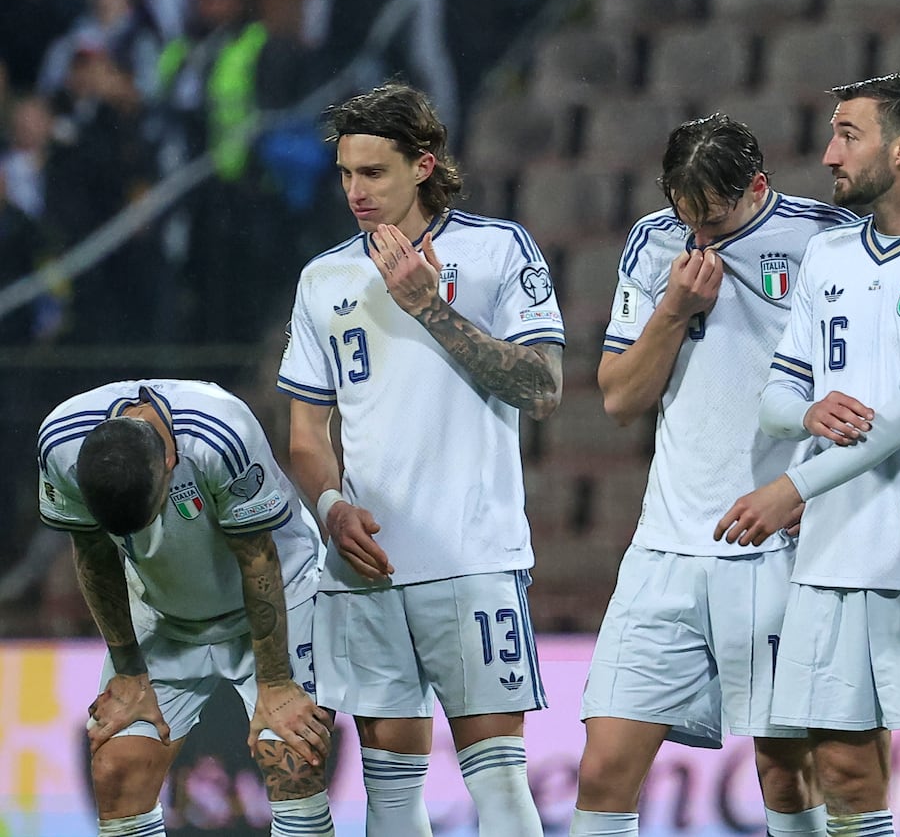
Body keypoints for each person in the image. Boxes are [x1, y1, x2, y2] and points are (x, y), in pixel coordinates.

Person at [276, 80, 564, 836]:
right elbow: (306, 435)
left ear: (424, 165)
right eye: (345, 174)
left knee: (499, 782)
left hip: (472, 555)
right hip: (367, 563)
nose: (355, 191)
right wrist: (333, 511)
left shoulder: (498, 249)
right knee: (389, 787)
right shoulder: (324, 279)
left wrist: (430, 307)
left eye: (373, 173)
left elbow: (542, 389)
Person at [571, 113, 856, 837]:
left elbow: (870, 395)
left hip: (778, 548)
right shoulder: (651, 240)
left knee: (785, 770)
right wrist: (675, 308)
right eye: (684, 214)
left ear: (758, 186)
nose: (697, 235)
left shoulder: (830, 242)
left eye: (714, 219)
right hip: (665, 546)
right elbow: (620, 396)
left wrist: (813, 492)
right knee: (603, 768)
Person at [714, 72, 900, 836]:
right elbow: (771, 401)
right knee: (842, 771)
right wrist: (804, 409)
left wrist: (789, 488)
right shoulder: (828, 257)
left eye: (848, 135)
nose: (829, 153)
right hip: (832, 564)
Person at [37, 378, 335, 837]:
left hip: (281, 594)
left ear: (170, 463)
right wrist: (128, 672)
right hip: (164, 613)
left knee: (294, 761)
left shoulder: (221, 434)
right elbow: (94, 555)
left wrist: (276, 683)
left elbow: (258, 558)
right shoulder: (61, 445)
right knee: (116, 772)